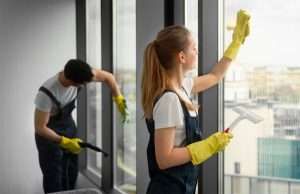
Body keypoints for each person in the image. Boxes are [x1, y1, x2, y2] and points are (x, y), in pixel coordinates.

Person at [141, 10, 250, 194]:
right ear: (181, 57)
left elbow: (216, 75)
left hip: (183, 186)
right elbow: (164, 158)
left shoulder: (183, 86)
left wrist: (236, 42)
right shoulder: (169, 100)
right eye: (194, 48)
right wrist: (209, 145)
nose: (197, 51)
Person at [34, 59, 127, 193]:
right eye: (83, 84)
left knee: (71, 172)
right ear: (72, 81)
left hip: (68, 126)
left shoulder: (82, 73)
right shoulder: (46, 93)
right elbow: (40, 127)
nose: (86, 85)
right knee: (54, 179)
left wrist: (118, 99)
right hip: (48, 135)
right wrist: (63, 141)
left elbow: (109, 77)